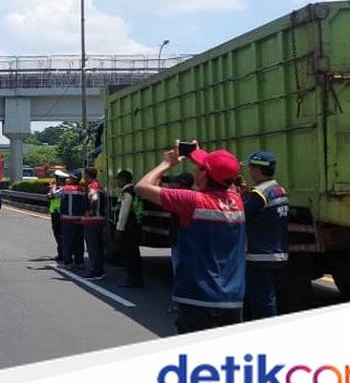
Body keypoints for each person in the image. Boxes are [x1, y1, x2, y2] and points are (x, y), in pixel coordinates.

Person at [135, 143, 246, 334]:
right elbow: (224, 177)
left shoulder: (192, 201)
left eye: (199, 167)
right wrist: (200, 154)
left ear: (204, 175)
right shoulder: (237, 201)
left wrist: (166, 164)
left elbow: (142, 187)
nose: (195, 170)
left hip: (197, 297)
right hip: (233, 299)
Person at [242, 151, 289, 319]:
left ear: (256, 170)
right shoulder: (278, 189)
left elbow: (243, 215)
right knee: (261, 298)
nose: (248, 171)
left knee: (262, 301)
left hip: (260, 255)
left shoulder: (259, 193)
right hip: (277, 252)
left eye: (250, 168)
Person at [113, 169, 144, 288]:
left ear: (123, 179)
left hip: (128, 227)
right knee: (134, 253)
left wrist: (119, 228)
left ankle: (132, 278)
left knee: (129, 253)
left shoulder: (127, 192)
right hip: (135, 225)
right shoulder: (134, 190)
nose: (117, 182)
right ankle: (137, 278)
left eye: (118, 179)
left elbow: (124, 212)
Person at [58, 171, 87, 269]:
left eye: (70, 177)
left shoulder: (65, 189)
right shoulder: (82, 190)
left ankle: (68, 263)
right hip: (79, 219)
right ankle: (80, 262)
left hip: (67, 220)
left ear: (74, 179)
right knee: (79, 242)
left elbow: (52, 195)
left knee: (67, 242)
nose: (68, 179)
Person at [82, 167, 106, 280]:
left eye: (84, 174)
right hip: (98, 220)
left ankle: (96, 271)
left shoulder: (93, 186)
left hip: (93, 221)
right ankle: (99, 270)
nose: (83, 176)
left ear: (88, 175)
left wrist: (91, 212)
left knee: (93, 247)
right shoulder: (97, 185)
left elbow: (94, 199)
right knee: (97, 246)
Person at [48, 170, 70, 261]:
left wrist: (52, 189)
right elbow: (49, 196)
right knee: (59, 234)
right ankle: (61, 253)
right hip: (55, 212)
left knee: (60, 234)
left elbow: (52, 195)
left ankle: (62, 254)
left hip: (59, 213)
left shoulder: (62, 188)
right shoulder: (58, 188)